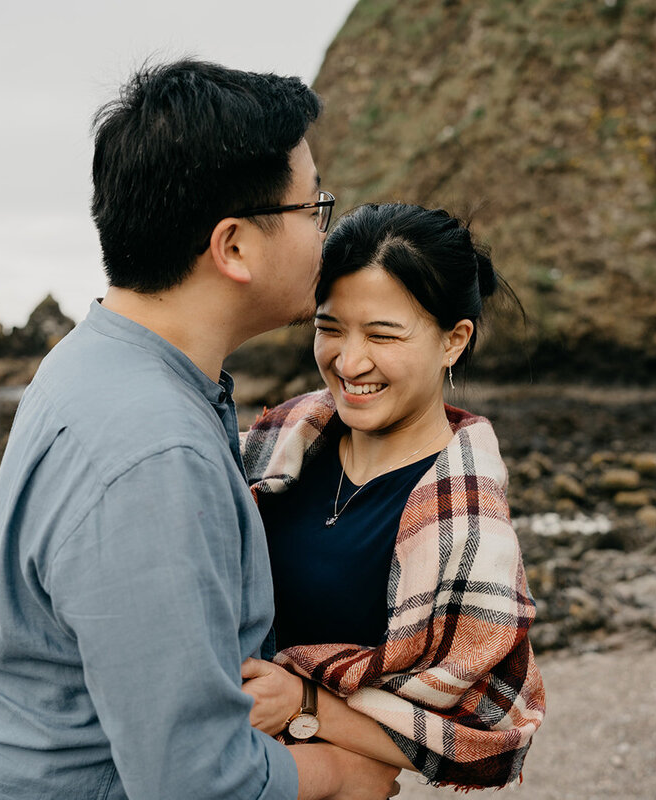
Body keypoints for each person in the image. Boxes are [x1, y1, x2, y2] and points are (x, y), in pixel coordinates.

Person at [0, 60, 401, 800]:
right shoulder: (154, 451)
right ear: (234, 247)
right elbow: (194, 782)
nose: (327, 229)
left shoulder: (94, 357)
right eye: (313, 205)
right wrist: (348, 772)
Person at [240, 203, 546, 791]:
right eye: (329, 328)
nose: (349, 361)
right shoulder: (273, 446)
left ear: (454, 341)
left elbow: (485, 736)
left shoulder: (467, 522)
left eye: (383, 335)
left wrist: (306, 702)